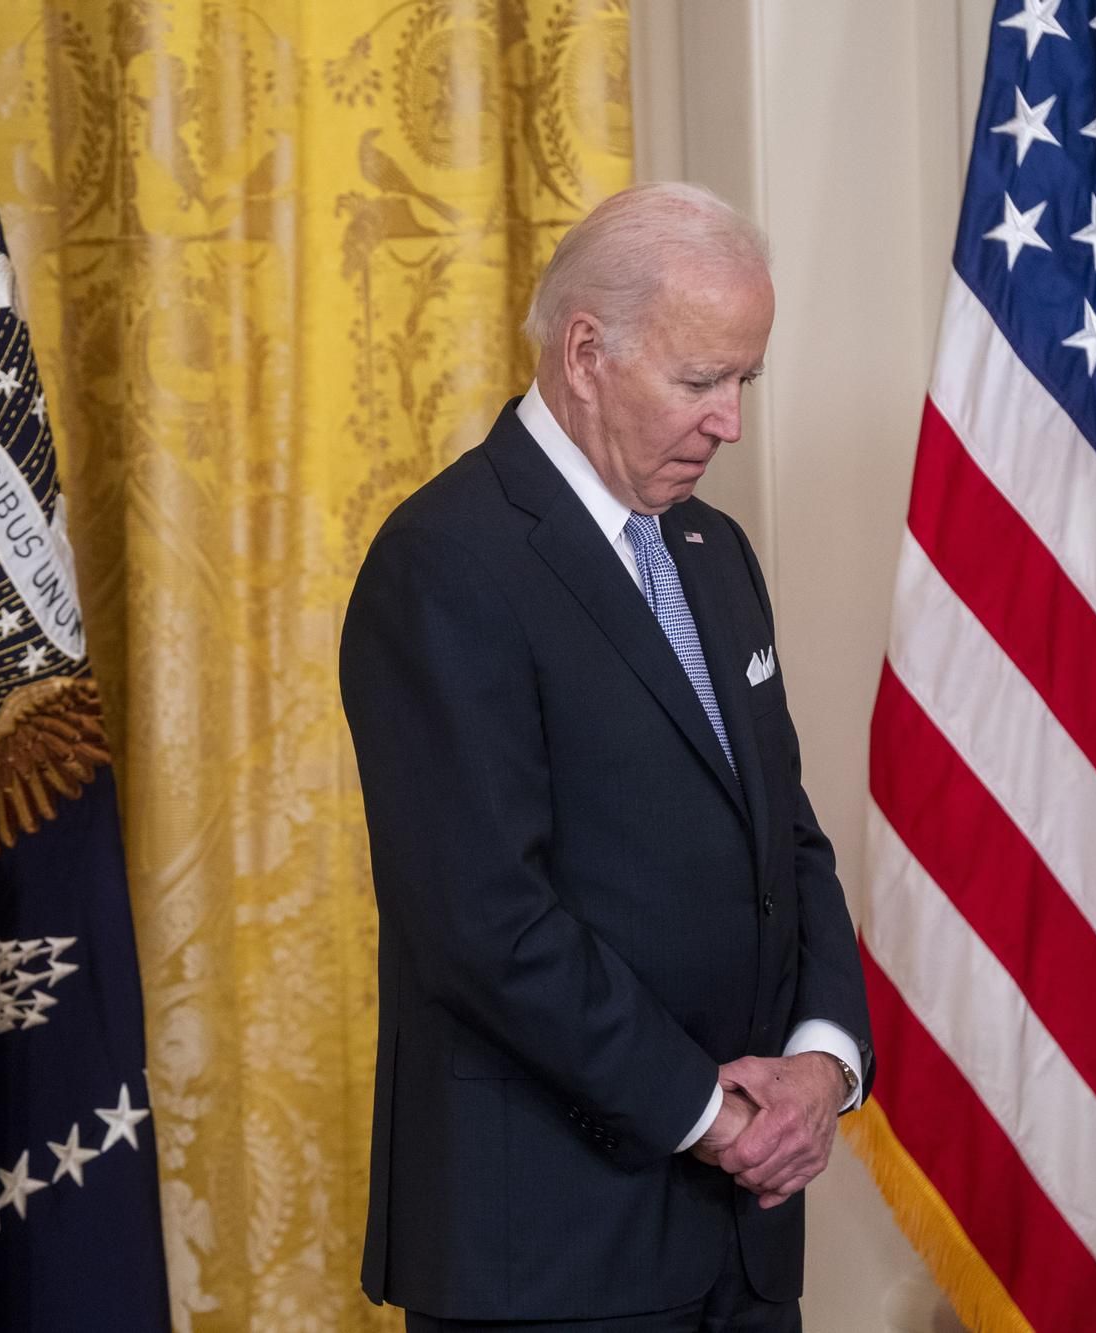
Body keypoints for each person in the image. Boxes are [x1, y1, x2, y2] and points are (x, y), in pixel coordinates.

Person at [340, 181, 873, 1331]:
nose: (728, 421)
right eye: (699, 382)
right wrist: (714, 1117)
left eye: (744, 382)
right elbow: (486, 923)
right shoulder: (445, 560)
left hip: (741, 1245)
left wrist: (821, 1066)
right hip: (549, 1253)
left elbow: (782, 839)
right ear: (584, 352)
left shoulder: (713, 550)